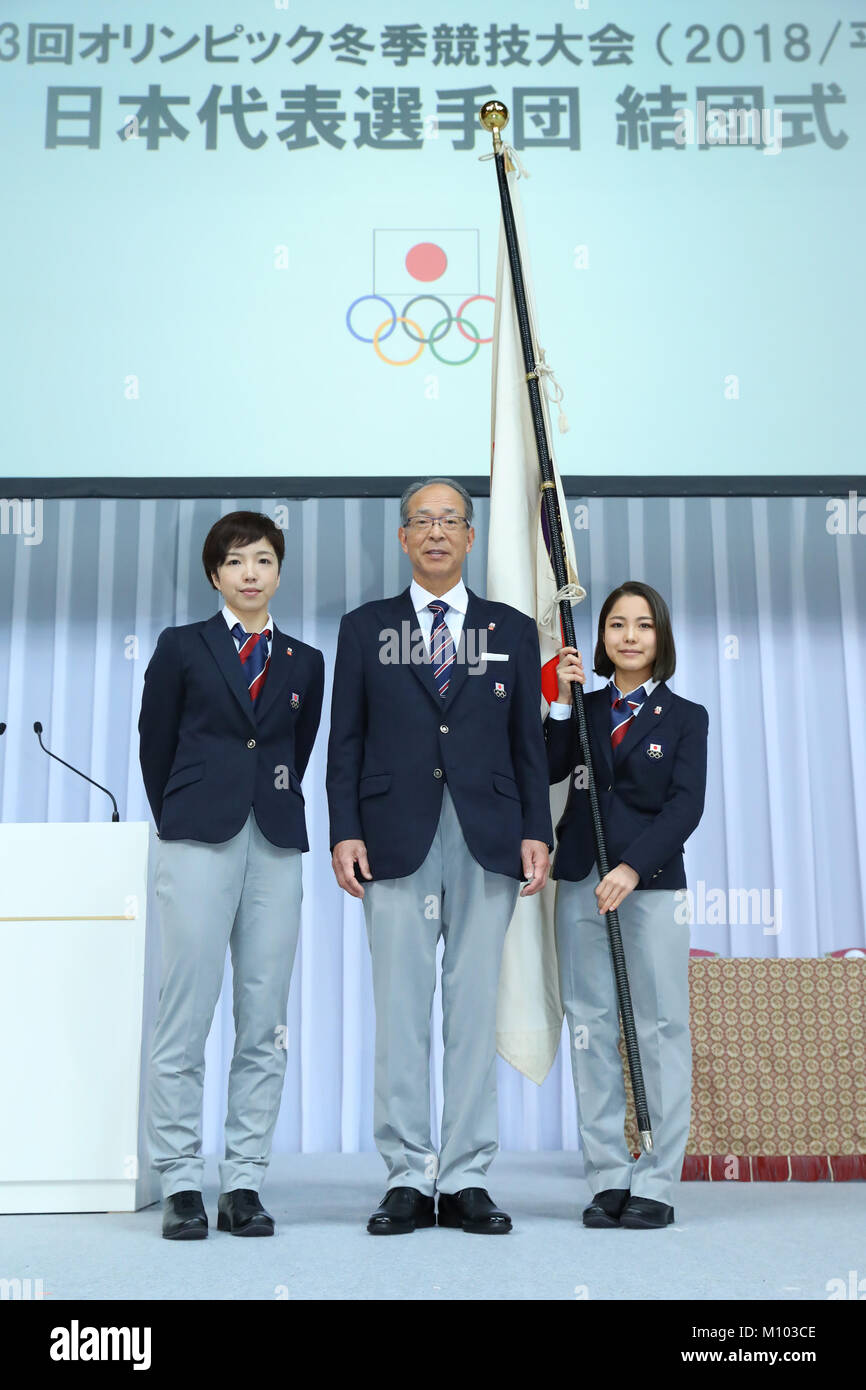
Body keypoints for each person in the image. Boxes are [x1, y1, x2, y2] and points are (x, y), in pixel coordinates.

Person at [326, 478, 552, 1235]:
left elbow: (527, 745)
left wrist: (536, 831)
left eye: (449, 520)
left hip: (488, 837)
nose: (435, 532)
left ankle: (464, 1178)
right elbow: (345, 744)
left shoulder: (513, 630)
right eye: (421, 521)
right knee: (400, 1012)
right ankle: (404, 1175)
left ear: (471, 536)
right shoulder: (365, 629)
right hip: (393, 837)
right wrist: (344, 829)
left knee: (471, 1009)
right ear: (401, 537)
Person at [139, 511, 324, 1240]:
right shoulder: (182, 647)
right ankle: (181, 1179)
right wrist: (187, 810)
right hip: (195, 840)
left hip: (275, 843)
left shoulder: (306, 661)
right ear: (215, 574)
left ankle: (243, 1180)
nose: (251, 573)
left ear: (279, 572)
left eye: (265, 560)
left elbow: (293, 751)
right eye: (237, 561)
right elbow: (157, 746)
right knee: (184, 1017)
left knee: (264, 1022)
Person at [546, 580, 708, 1230]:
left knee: (661, 1027)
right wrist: (560, 701)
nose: (630, 635)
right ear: (603, 638)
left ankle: (658, 1181)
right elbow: (550, 769)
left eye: (643, 625)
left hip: (652, 885)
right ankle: (608, 1176)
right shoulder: (582, 712)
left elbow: (685, 805)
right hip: (580, 877)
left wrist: (634, 867)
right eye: (617, 624)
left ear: (660, 637)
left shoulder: (687, 716)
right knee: (589, 1028)